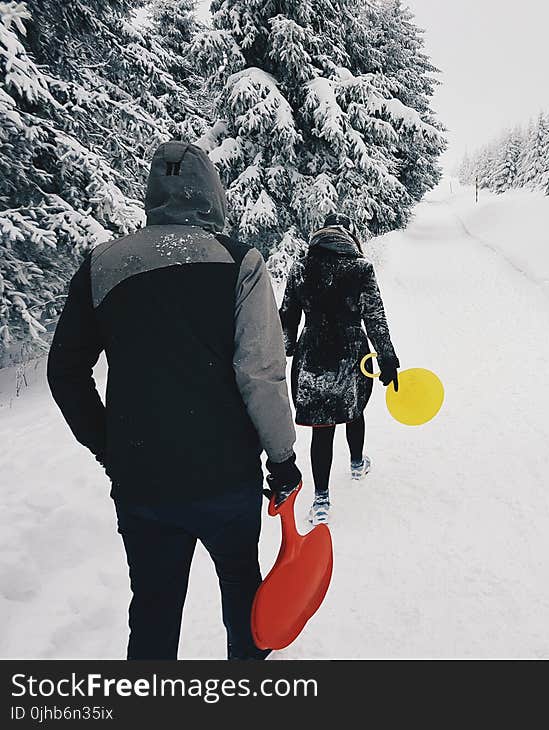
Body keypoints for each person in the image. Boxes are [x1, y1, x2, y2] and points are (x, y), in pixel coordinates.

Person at [47, 141, 302, 660]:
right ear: (212, 195)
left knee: (154, 614)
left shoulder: (103, 264)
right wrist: (283, 459)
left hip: (142, 483)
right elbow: (259, 372)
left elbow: (64, 371)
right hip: (226, 482)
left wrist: (110, 446)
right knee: (245, 606)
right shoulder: (240, 262)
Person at [280, 213, 399, 525]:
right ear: (351, 237)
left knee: (322, 427)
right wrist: (386, 357)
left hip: (314, 355)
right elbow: (374, 315)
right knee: (355, 409)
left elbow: (287, 319)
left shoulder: (300, 268)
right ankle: (358, 464)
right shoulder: (360, 268)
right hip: (353, 352)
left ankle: (321, 500)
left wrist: (284, 352)